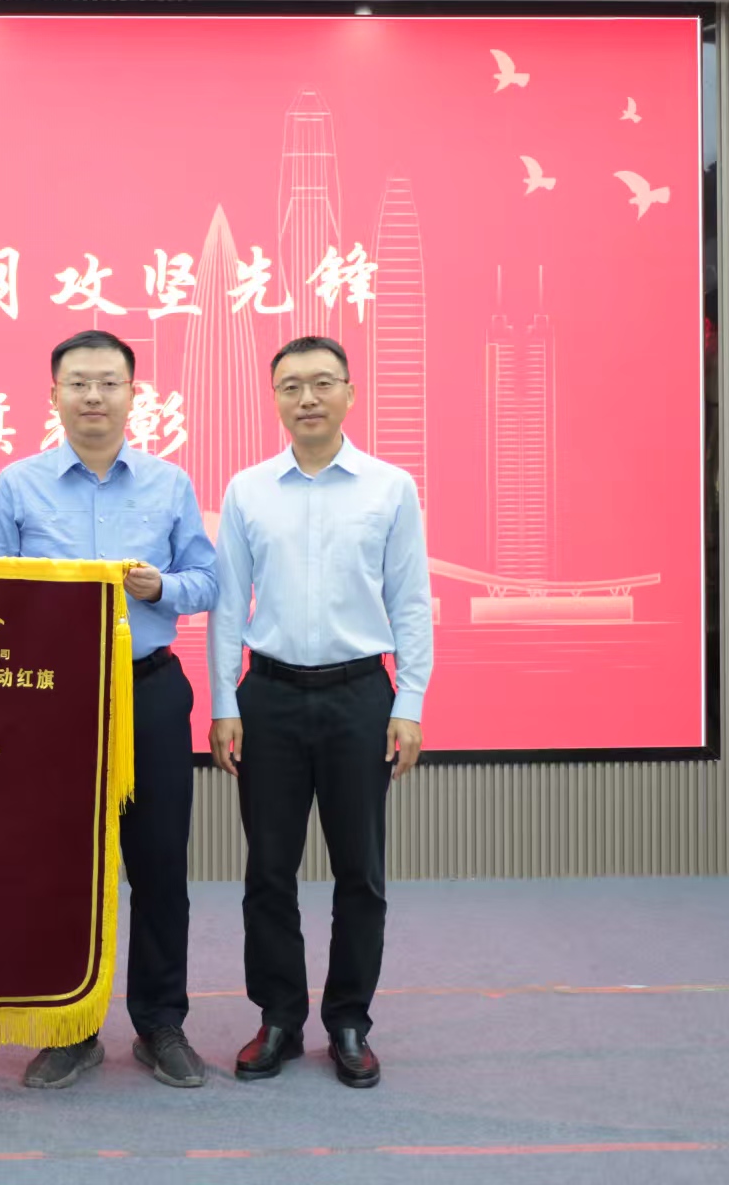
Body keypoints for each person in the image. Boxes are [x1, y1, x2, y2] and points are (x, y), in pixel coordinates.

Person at [0, 329, 219, 1090]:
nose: (93, 396)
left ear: (132, 395)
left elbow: (207, 580)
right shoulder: (18, 484)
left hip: (147, 690)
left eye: (108, 382)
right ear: (53, 395)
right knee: (59, 869)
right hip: (50, 698)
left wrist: (161, 588)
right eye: (77, 382)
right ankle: (69, 1028)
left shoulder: (169, 483)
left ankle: (160, 1024)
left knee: (159, 864)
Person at [207, 335, 434, 1090]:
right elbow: (228, 605)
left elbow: (410, 601)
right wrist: (225, 700)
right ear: (274, 397)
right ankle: (277, 1017)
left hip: (359, 696)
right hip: (268, 698)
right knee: (268, 870)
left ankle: (348, 1021)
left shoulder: (389, 487)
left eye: (322, 383)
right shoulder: (248, 490)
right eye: (291, 386)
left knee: (359, 870)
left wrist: (409, 702)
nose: (307, 398)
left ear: (349, 393)